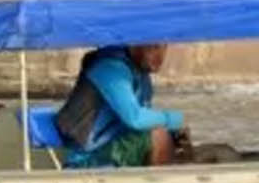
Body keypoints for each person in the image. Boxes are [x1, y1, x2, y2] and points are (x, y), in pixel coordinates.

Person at [55, 44, 189, 168]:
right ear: (134, 44)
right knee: (159, 136)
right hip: (86, 159)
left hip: (113, 144)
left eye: (163, 47)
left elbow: (146, 121)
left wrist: (175, 132)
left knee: (178, 142)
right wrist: (175, 119)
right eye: (153, 47)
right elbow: (135, 119)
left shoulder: (140, 73)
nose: (160, 56)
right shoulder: (110, 68)